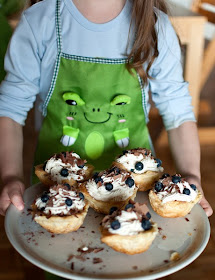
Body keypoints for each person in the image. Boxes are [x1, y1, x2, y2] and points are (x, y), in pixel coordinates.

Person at [0, 0, 213, 216]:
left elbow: (178, 112)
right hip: (55, 196)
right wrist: (11, 176)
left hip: (134, 198)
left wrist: (191, 175)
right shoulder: (39, 21)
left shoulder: (155, 26)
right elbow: (10, 109)